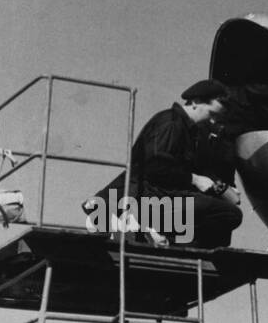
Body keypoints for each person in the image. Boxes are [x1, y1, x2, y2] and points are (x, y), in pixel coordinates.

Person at [86, 79, 242, 248]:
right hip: (142, 196)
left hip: (153, 196)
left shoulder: (190, 133)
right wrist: (195, 179)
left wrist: (221, 187)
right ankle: (146, 227)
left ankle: (158, 234)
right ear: (196, 102)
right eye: (212, 115)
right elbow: (155, 165)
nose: (213, 123)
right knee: (227, 213)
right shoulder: (170, 122)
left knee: (223, 213)